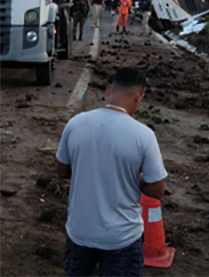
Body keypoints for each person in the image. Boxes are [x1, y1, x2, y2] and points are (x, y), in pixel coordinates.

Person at [56, 67, 168, 277]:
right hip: (122, 238)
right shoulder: (143, 136)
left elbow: (62, 170)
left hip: (80, 232)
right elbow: (157, 190)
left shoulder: (76, 123)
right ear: (139, 97)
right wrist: (137, 179)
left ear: (108, 90)